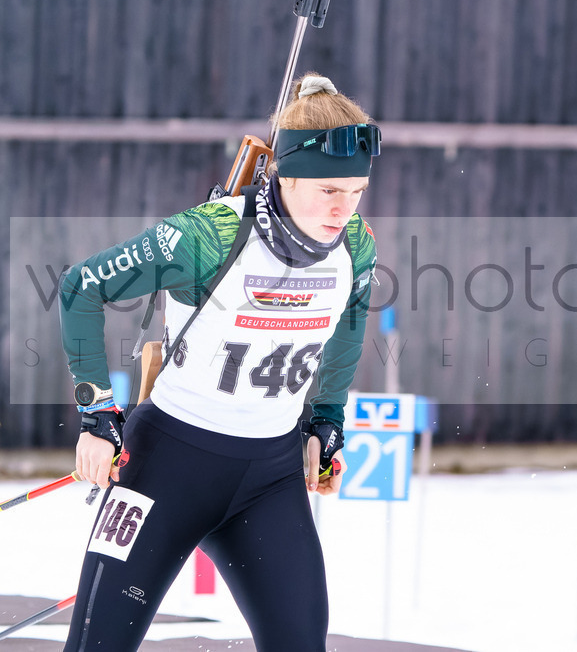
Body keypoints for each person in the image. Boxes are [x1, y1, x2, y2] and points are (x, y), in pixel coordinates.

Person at [57, 73, 379, 650]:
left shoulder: (355, 244)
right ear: (287, 172)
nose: (344, 209)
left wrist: (326, 418)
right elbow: (82, 287)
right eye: (330, 190)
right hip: (164, 469)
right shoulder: (211, 234)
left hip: (270, 478)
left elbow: (349, 324)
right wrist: (96, 413)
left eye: (356, 191)